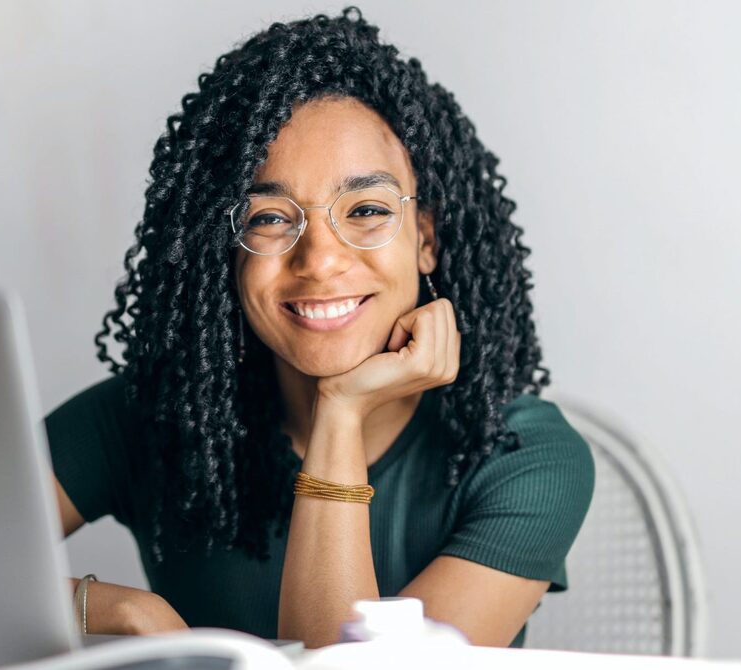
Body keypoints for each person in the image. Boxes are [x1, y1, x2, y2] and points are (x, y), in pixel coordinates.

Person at [44, 6, 594, 650]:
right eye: (269, 218)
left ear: (427, 238)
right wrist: (121, 611)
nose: (321, 259)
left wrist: (341, 411)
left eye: (365, 209)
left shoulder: (523, 456)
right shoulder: (150, 416)